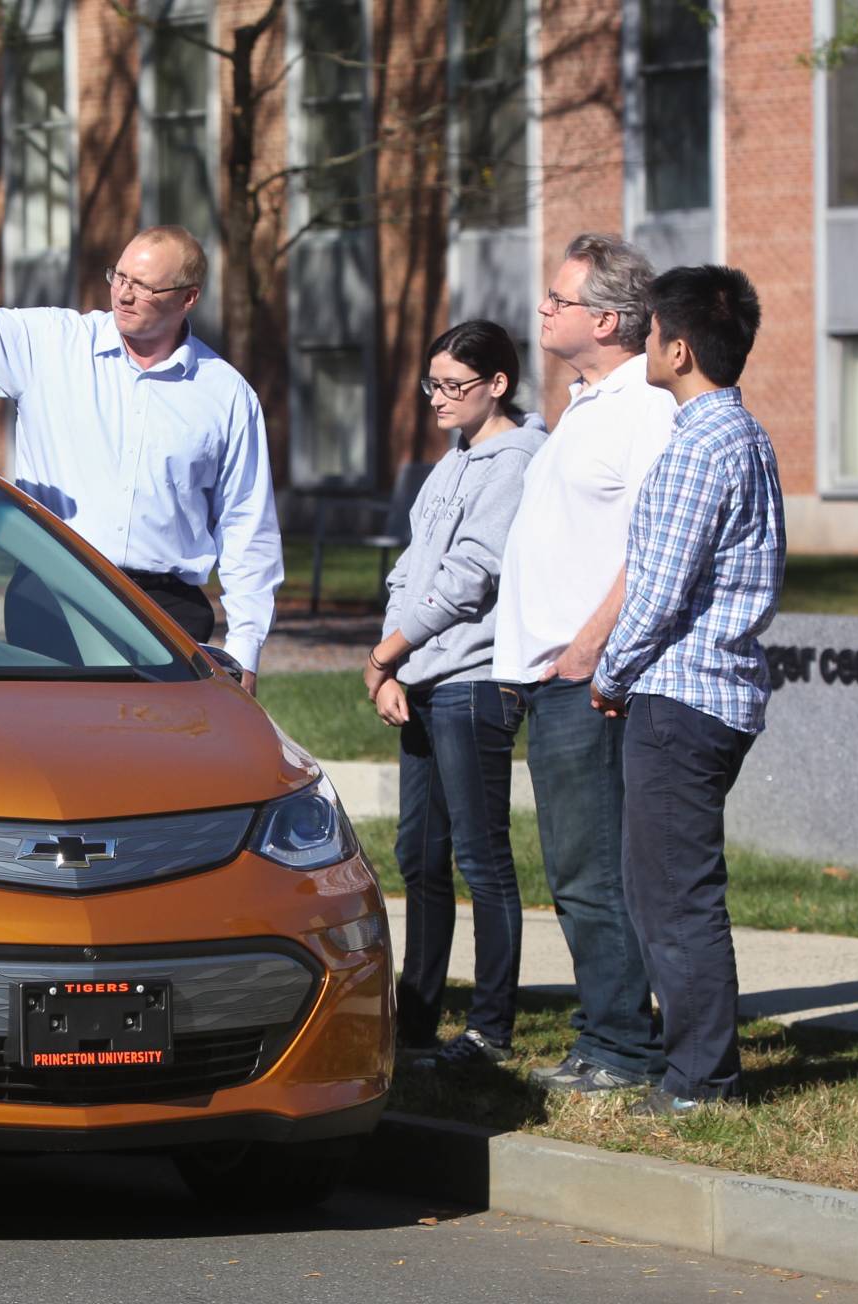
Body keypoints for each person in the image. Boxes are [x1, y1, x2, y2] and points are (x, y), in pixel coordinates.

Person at [0, 208, 282, 692]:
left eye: (144, 286)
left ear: (188, 298)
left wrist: (244, 651)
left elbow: (248, 528)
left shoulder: (226, 394)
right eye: (120, 276)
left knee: (162, 742)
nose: (123, 294)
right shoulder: (54, 345)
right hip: (52, 596)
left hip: (167, 611)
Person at [591, 265, 784, 1115]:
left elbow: (658, 593)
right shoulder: (746, 435)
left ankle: (702, 1082)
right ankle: (699, 1071)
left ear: (678, 350)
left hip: (681, 697)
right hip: (718, 695)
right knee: (671, 888)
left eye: (652, 332)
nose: (642, 345)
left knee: (674, 896)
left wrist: (609, 674)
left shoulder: (698, 448)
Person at [492, 233, 675, 1094]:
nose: (543, 309)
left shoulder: (646, 408)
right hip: (548, 677)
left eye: (559, 299)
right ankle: (610, 1036)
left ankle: (620, 1048)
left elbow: (654, 548)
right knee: (576, 871)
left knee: (591, 872)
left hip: (586, 683)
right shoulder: (584, 404)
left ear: (606, 320)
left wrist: (587, 651)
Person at [363, 321, 545, 1069]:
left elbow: (472, 577)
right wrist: (393, 666)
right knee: (419, 854)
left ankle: (490, 1030)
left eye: (452, 386)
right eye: (431, 384)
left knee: (481, 857)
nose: (437, 398)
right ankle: (417, 1018)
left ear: (497, 384)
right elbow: (410, 571)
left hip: (475, 682)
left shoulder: (517, 461)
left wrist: (386, 654)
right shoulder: (452, 462)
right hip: (421, 680)